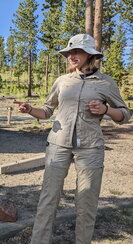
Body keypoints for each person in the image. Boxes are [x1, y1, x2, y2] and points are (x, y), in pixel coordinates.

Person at [14, 34, 131, 244]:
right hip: (58, 145)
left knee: (86, 203)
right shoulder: (62, 81)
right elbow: (47, 111)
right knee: (48, 199)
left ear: (90, 55)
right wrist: (30, 109)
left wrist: (106, 110)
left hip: (91, 148)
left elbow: (125, 114)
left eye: (76, 51)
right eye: (69, 52)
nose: (71, 56)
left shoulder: (105, 82)